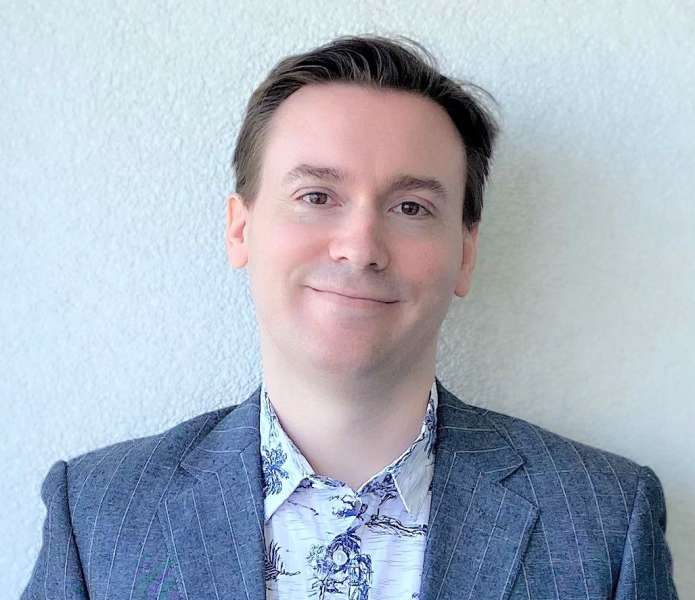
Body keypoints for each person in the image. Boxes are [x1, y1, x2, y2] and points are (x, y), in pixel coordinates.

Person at [23, 35, 678, 600]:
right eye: (316, 196)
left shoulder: (604, 520)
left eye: (411, 207)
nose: (360, 247)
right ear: (240, 229)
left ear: (465, 254)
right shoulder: (98, 513)